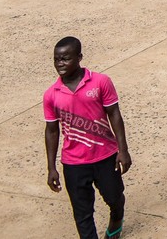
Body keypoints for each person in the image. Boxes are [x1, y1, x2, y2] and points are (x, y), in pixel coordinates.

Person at [43, 36, 131, 239]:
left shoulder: (101, 82)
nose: (60, 64)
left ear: (79, 57)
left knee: (115, 197)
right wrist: (51, 167)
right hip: (73, 163)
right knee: (82, 214)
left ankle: (116, 221)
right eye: (56, 59)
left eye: (65, 58)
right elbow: (51, 130)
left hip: (105, 156)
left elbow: (114, 114)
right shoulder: (51, 94)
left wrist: (123, 150)